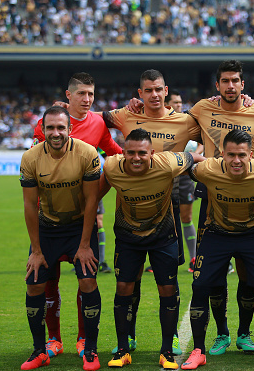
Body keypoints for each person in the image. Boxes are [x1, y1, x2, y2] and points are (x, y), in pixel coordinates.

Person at [101, 69, 202, 357]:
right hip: (130, 206)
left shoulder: (184, 121)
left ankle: (169, 340)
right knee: (128, 283)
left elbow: (213, 130)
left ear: (166, 90)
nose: (154, 95)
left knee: (166, 283)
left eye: (158, 89)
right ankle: (128, 338)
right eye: (148, 90)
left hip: (167, 205)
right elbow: (96, 119)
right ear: (140, 93)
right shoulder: (125, 115)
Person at [181, 130, 254, 370]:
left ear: (251, 154)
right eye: (230, 155)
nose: (236, 160)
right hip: (217, 234)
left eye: (242, 155)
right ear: (222, 154)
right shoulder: (208, 168)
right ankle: (198, 350)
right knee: (200, 287)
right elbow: (186, 161)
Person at [186, 60, 254, 356]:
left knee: (249, 272)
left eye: (235, 80)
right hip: (212, 194)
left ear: (242, 84)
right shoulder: (202, 108)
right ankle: (222, 333)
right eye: (225, 80)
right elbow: (173, 123)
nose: (230, 86)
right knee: (213, 273)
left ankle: (245, 333)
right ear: (217, 85)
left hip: (250, 191)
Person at [32, 72, 122, 359]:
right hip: (50, 214)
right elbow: (37, 162)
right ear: (68, 96)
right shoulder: (48, 123)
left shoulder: (97, 122)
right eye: (81, 94)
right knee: (47, 280)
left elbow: (115, 154)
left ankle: (84, 339)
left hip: (83, 213)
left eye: (91, 94)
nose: (87, 100)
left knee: (86, 279)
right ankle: (53, 340)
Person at [20, 106, 102, 371]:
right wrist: (36, 250)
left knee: (88, 280)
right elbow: (30, 206)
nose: (56, 133)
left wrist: (86, 244)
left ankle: (89, 349)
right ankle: (39, 350)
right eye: (50, 128)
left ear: (70, 129)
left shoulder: (87, 154)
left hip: (80, 227)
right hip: (47, 229)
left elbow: (92, 200)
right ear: (43, 130)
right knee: (35, 285)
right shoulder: (30, 158)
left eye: (61, 128)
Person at [166, 89, 202, 272]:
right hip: (167, 178)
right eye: (175, 102)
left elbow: (203, 139)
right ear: (167, 104)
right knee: (167, 219)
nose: (179, 105)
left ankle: (193, 258)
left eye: (180, 102)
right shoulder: (164, 123)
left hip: (186, 177)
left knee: (186, 217)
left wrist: (196, 154)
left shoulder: (188, 123)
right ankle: (167, 257)